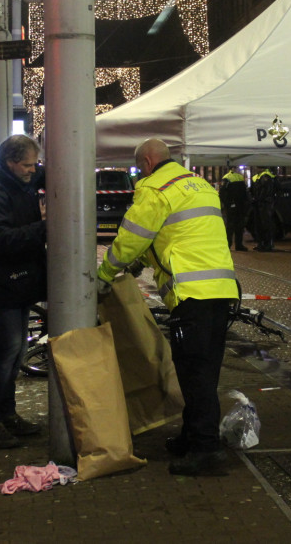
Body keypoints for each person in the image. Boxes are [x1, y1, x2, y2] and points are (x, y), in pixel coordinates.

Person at [97, 138, 239, 476]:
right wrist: (141, 262)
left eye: (137, 169)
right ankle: (192, 437)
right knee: (204, 370)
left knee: (194, 374)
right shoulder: (199, 185)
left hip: (192, 296)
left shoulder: (155, 188)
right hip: (222, 291)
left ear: (147, 161)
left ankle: (206, 449)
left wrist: (106, 272)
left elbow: (132, 236)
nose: (136, 176)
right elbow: (174, 236)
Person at [0, 134, 47, 449]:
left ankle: (7, 414)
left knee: (15, 352)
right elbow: (1, 238)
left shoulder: (15, 181)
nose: (33, 170)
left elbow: (45, 172)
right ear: (11, 163)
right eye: (28, 165)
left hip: (17, 280)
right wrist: (43, 227)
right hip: (4, 281)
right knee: (9, 350)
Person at [219, 166, 249, 251]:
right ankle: (235, 245)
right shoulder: (230, 177)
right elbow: (223, 193)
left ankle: (232, 245)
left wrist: (227, 203)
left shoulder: (228, 177)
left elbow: (222, 193)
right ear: (233, 168)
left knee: (234, 225)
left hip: (235, 205)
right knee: (234, 225)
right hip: (237, 205)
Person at [250, 166, 279, 251]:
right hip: (259, 204)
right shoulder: (257, 177)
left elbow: (266, 191)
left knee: (266, 224)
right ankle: (261, 244)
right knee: (259, 224)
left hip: (265, 204)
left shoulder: (267, 176)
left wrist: (257, 199)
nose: (256, 168)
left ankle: (268, 244)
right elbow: (253, 190)